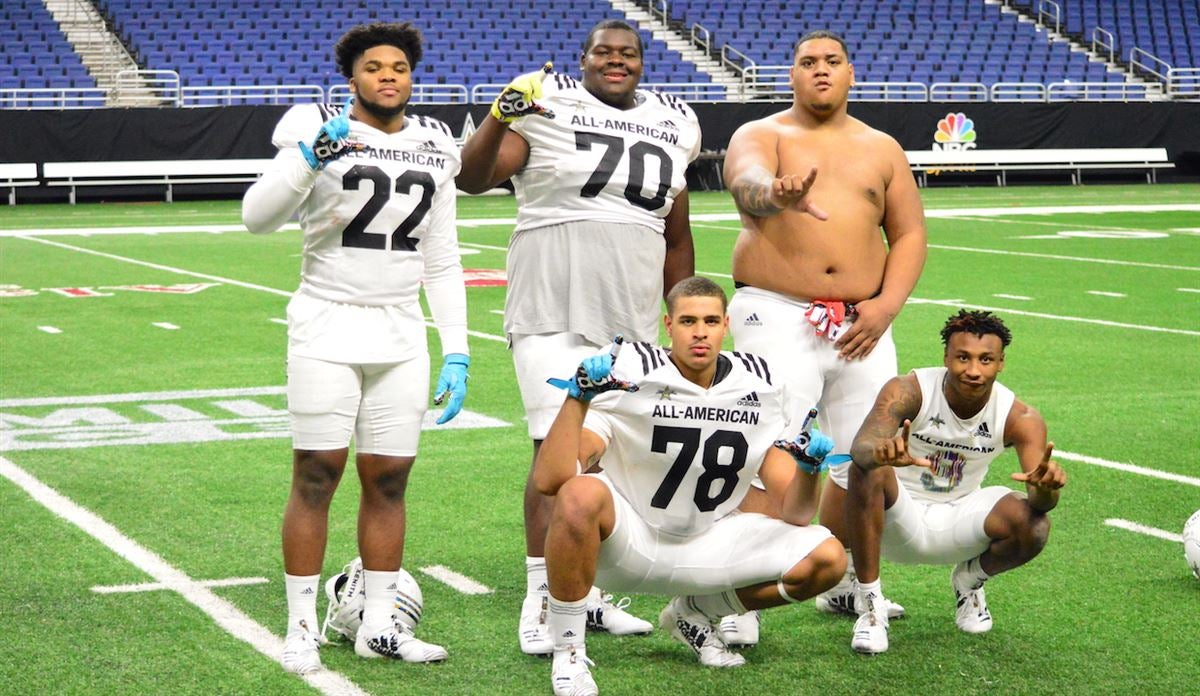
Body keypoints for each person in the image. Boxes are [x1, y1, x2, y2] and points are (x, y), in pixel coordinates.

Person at [457, 19, 702, 654]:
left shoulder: (677, 121)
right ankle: (541, 601)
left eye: (627, 53)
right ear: (584, 59)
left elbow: (675, 233)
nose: (615, 61)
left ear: (643, 63)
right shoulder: (548, 104)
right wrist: (498, 117)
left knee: (608, 459)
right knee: (554, 457)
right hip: (551, 307)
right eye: (603, 52)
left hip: (633, 315)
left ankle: (584, 595)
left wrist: (681, 312)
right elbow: (473, 177)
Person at [241, 22, 467, 672]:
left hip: (400, 331)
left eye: (399, 67)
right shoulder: (317, 128)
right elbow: (255, 216)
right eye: (375, 67)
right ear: (352, 80)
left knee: (390, 481)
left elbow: (444, 259)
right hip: (326, 323)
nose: (389, 76)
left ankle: (379, 627)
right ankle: (301, 627)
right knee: (316, 474)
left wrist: (457, 348)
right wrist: (311, 157)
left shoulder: (433, 144)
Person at [533, 276, 846, 695]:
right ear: (668, 324)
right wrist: (578, 397)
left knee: (828, 558)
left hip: (712, 538)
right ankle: (569, 653)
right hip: (633, 541)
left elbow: (795, 512)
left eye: (711, 320)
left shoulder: (760, 384)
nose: (700, 331)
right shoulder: (633, 375)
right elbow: (551, 479)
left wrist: (810, 469)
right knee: (578, 493)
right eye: (688, 321)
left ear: (727, 325)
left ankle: (697, 613)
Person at [721, 29, 927, 624]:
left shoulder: (881, 147)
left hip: (864, 321)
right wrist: (775, 193)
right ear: (791, 74)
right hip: (778, 310)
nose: (820, 70)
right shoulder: (763, 134)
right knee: (768, 448)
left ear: (850, 73)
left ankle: (856, 584)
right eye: (807, 62)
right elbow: (745, 182)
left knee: (864, 456)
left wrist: (886, 306)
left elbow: (909, 232)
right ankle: (742, 594)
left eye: (831, 61)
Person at [844, 310, 1066, 654]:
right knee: (865, 469)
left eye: (986, 359)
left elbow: (1039, 502)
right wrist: (882, 455)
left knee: (1033, 525)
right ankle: (871, 607)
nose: (974, 370)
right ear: (946, 357)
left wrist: (1045, 489)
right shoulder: (908, 390)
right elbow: (861, 448)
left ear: (1001, 363)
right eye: (963, 357)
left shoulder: (1020, 417)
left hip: (959, 518)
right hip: (894, 519)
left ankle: (970, 581)